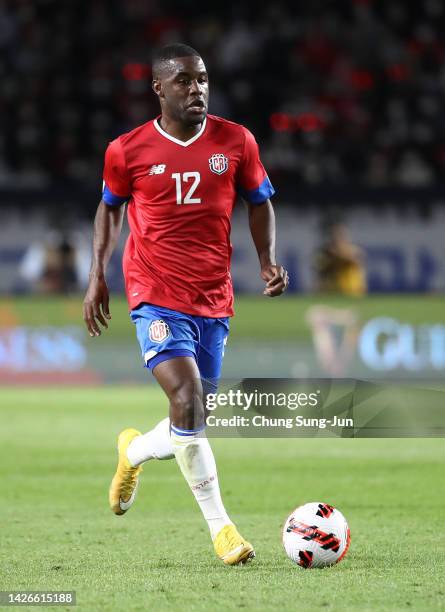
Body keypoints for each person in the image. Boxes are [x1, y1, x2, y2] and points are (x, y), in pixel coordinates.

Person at [82, 43, 288, 566]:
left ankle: (131, 453)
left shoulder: (235, 140)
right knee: (188, 399)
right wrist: (96, 276)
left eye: (201, 80)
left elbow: (260, 200)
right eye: (183, 81)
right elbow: (108, 210)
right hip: (153, 292)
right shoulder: (127, 150)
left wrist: (267, 261)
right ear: (159, 88)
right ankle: (223, 530)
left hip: (213, 296)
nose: (196, 89)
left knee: (192, 418)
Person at [314, 221, 366, 296]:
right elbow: (319, 269)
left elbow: (355, 261)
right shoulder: (326, 253)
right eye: (334, 236)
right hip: (332, 293)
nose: (337, 239)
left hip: (352, 292)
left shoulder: (353, 250)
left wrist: (339, 255)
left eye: (340, 235)